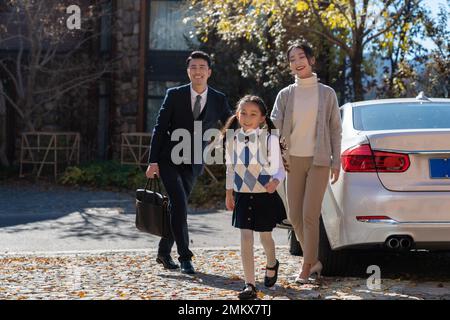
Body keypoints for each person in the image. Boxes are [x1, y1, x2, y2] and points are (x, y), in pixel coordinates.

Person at [146, 51, 232, 274]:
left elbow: (231, 125)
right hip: (168, 159)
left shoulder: (218, 99)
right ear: (188, 71)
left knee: (177, 207)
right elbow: (159, 128)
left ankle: (164, 253)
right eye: (193, 67)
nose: (198, 71)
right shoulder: (174, 95)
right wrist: (153, 161)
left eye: (202, 67)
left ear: (209, 72)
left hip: (194, 161)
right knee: (180, 204)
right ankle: (185, 257)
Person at [271, 42, 342, 284]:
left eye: (301, 56)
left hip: (320, 159)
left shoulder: (327, 93)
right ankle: (315, 261)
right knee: (294, 215)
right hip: (292, 161)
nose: (297, 62)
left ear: (311, 60)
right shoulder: (286, 94)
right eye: (292, 59)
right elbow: (274, 126)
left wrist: (336, 160)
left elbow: (335, 129)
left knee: (310, 214)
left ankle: (307, 265)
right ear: (289, 65)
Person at [223, 95, 288, 300]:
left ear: (262, 118)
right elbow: (230, 169)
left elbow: (280, 170)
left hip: (264, 196)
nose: (247, 117)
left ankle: (271, 263)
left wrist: (275, 182)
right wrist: (228, 193)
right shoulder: (232, 140)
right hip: (242, 195)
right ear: (237, 114)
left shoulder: (270, 140)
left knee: (265, 236)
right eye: (243, 113)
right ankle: (249, 284)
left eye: (253, 114)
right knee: (246, 237)